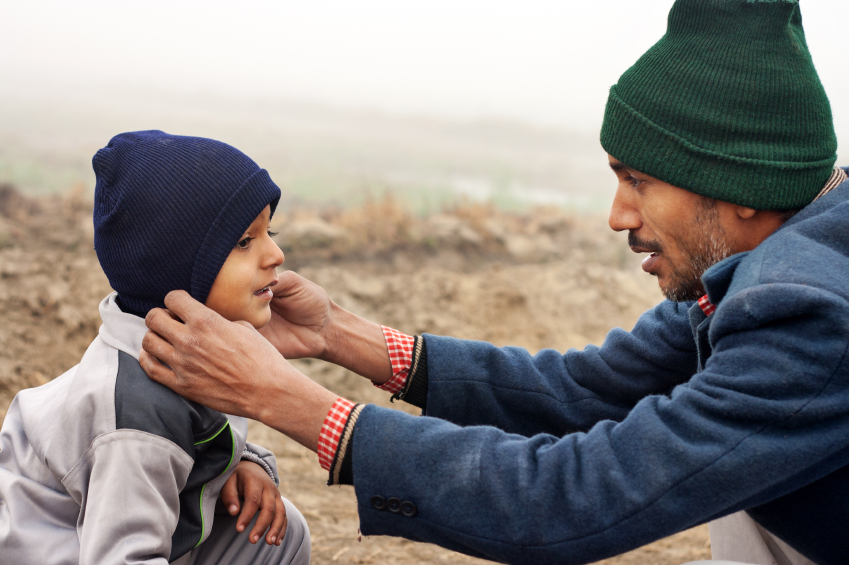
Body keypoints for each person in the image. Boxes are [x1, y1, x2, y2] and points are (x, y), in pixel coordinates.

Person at [140, 1, 849, 564]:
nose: (616, 216)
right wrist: (338, 335)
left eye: (638, 181)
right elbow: (589, 388)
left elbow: (571, 497)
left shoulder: (803, 312)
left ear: (739, 188)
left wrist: (283, 399)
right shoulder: (769, 257)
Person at [0, 131, 311, 565]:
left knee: (278, 533)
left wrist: (245, 465)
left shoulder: (192, 352)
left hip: (105, 528)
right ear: (177, 271)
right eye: (244, 242)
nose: (275, 253)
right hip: (63, 549)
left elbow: (204, 432)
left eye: (269, 231)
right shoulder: (135, 416)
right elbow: (121, 554)